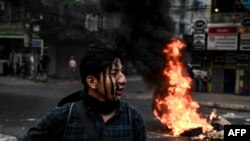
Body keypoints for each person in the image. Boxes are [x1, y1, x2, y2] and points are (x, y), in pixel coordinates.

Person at [23, 42, 147, 141]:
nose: (123, 80)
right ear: (92, 82)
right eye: (114, 74)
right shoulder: (64, 116)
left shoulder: (132, 118)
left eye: (122, 72)